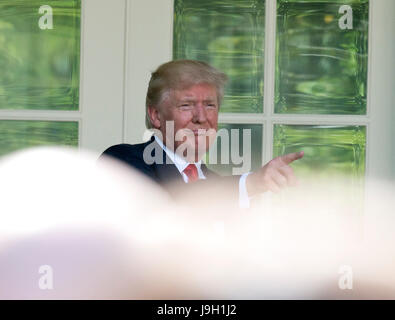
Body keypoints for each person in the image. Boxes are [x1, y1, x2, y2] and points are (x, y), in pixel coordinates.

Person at [101, 60, 304, 207]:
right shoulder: (123, 162)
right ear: (156, 116)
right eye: (186, 105)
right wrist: (251, 183)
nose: (201, 117)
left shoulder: (219, 185)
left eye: (209, 105)